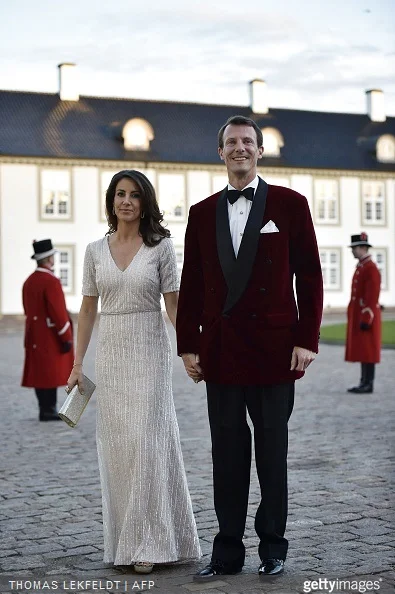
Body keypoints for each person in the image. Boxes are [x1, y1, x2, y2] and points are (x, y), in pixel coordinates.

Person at [176, 115, 323, 580]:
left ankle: (273, 547)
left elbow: (312, 276)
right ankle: (226, 552)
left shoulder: (291, 205)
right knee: (227, 454)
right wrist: (187, 346)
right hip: (220, 351)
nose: (240, 149)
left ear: (260, 151)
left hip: (276, 350)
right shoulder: (201, 213)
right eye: (231, 143)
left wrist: (307, 339)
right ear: (220, 152)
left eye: (247, 142)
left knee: (272, 454)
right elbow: (193, 283)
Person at [67, 170, 201, 573]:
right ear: (112, 201)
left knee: (147, 441)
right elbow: (87, 310)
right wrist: (77, 364)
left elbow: (174, 306)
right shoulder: (94, 250)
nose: (126, 201)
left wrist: (189, 350)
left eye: (135, 195)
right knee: (120, 448)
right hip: (111, 355)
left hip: (149, 350)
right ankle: (125, 538)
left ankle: (148, 542)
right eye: (120, 194)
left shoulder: (161, 248)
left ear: (146, 203)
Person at [22, 239, 73, 421]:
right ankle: (49, 410)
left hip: (34, 334)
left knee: (40, 372)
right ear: (49, 259)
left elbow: (28, 310)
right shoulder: (51, 281)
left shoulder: (29, 281)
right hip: (50, 335)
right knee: (50, 373)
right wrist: (66, 336)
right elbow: (58, 313)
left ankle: (43, 408)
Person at [346, 232, 381, 394]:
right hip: (360, 313)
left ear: (361, 248)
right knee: (363, 349)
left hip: (367, 316)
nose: (352, 251)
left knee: (368, 350)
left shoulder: (370, 268)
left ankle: (368, 383)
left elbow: (372, 295)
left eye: (354, 248)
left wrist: (367, 316)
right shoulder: (362, 267)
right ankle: (363, 381)